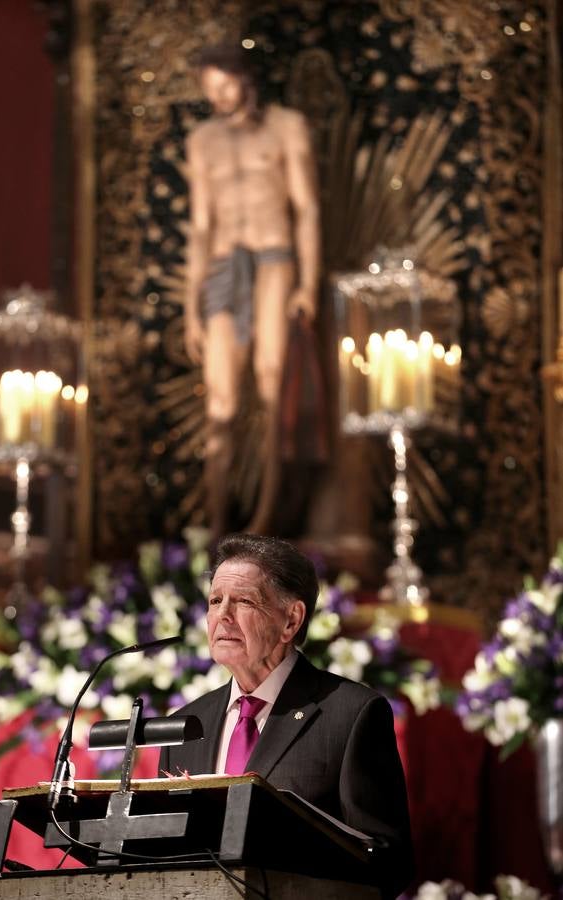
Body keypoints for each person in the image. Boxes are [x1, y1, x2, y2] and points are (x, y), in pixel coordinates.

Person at [159, 533, 414, 898]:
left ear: (291, 621)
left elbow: (390, 862)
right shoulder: (186, 724)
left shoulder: (350, 714)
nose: (223, 616)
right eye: (216, 601)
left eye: (243, 601)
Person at [184, 46, 321, 537]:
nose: (217, 98)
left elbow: (305, 208)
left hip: (273, 260)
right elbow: (200, 227)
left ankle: (264, 523)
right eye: (209, 91)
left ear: (244, 78)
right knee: (219, 403)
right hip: (223, 265)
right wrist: (190, 308)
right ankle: (216, 527)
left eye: (223, 86)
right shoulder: (202, 140)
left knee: (269, 386)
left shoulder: (286, 126)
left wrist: (308, 282)